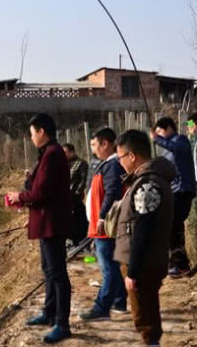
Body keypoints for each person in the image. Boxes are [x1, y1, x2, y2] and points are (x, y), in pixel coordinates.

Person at [7, 113, 72, 343]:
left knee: (58, 273)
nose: (31, 137)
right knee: (48, 270)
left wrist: (19, 197)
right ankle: (49, 313)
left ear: (42, 132)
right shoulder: (48, 154)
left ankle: (62, 324)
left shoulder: (53, 154)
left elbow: (41, 193)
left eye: (32, 133)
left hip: (52, 224)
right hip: (46, 221)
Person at [114, 130, 176, 346]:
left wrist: (132, 271)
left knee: (145, 316)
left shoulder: (148, 184)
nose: (119, 163)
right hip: (148, 261)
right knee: (148, 310)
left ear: (132, 156)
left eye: (120, 157)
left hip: (143, 263)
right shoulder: (149, 180)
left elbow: (143, 228)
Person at [81, 128, 127, 321]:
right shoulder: (107, 164)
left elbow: (113, 191)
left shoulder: (113, 165)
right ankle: (119, 301)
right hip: (100, 226)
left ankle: (102, 307)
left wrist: (101, 217)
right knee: (111, 267)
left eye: (95, 144)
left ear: (105, 144)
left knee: (108, 268)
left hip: (105, 227)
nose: (94, 149)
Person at [151, 117, 196, 278]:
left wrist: (157, 139)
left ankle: (180, 265)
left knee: (173, 227)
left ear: (169, 128)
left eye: (161, 132)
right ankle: (179, 264)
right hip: (174, 191)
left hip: (182, 191)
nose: (160, 136)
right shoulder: (169, 145)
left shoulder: (180, 140)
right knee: (173, 228)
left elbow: (177, 148)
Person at [62, 143, 89, 246]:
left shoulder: (81, 164)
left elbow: (83, 181)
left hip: (75, 200)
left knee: (78, 223)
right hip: (65, 200)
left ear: (72, 152)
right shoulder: (63, 164)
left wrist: (76, 194)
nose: (64, 155)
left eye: (65, 152)